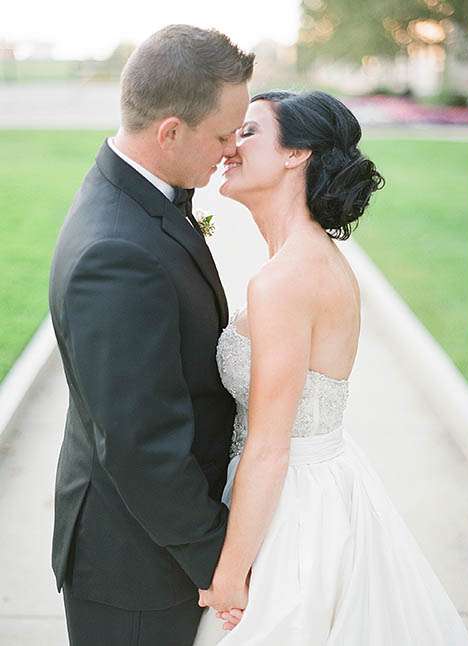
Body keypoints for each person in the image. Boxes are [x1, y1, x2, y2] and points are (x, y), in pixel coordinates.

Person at [189, 91, 468, 644]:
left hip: (293, 511)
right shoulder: (309, 260)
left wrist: (229, 575)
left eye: (247, 133)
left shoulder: (286, 279)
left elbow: (270, 446)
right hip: (317, 483)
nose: (229, 146)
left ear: (297, 154)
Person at [48, 25, 253, 646]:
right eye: (222, 135)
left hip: (149, 545)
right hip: (136, 568)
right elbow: (141, 444)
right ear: (170, 131)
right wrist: (220, 559)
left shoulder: (139, 195)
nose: (230, 150)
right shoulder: (117, 252)